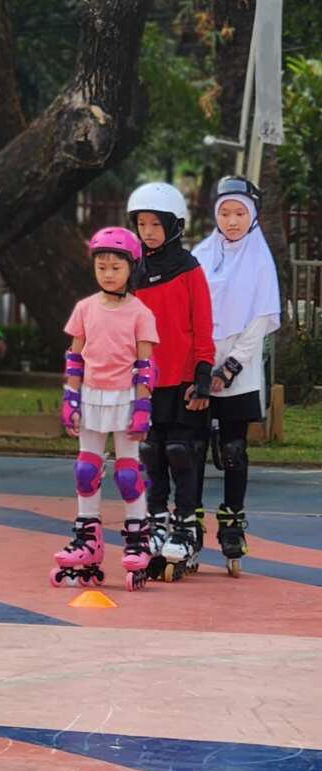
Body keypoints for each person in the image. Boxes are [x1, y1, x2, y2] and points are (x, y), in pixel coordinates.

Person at [50, 228, 159, 592]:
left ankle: (137, 541)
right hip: (92, 397)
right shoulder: (84, 308)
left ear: (131, 268)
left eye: (115, 267)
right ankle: (87, 540)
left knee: (128, 474)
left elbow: (146, 365)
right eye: (101, 267)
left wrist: (143, 404)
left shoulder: (140, 312)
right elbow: (75, 359)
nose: (108, 273)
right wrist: (70, 398)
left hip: (125, 398)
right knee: (86, 470)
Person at [191, 175, 281, 576]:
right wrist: (202, 363)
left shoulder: (260, 259)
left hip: (238, 370)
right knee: (188, 448)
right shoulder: (200, 254)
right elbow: (189, 310)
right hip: (198, 362)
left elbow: (261, 318)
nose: (231, 221)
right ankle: (187, 523)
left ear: (253, 215)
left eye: (239, 213)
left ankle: (232, 524)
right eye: (225, 213)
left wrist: (229, 368)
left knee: (233, 450)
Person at [127, 181, 214, 579]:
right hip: (146, 378)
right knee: (152, 452)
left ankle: (186, 526)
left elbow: (202, 324)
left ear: (174, 225)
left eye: (155, 224)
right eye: (141, 223)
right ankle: (157, 520)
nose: (147, 231)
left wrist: (202, 372)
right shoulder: (135, 272)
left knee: (182, 450)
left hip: (181, 378)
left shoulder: (190, 269)